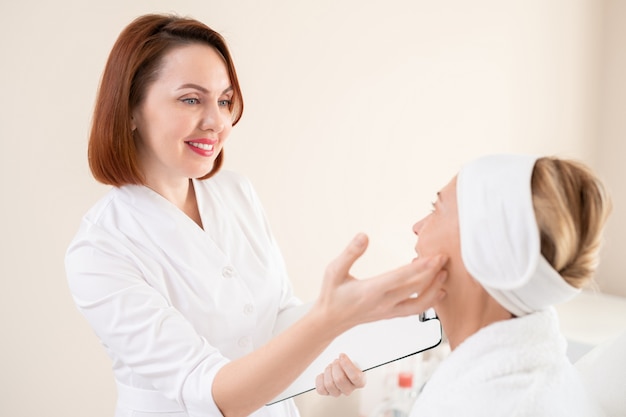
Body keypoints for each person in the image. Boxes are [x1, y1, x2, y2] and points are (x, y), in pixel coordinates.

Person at [65, 13, 448, 417]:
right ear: (130, 110)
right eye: (191, 99)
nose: (217, 122)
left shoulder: (235, 193)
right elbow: (211, 394)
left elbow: (274, 319)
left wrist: (335, 338)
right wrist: (328, 319)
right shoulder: (100, 250)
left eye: (225, 100)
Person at [408, 154, 611, 416]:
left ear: (482, 251)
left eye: (436, 208)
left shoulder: (471, 406)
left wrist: (336, 319)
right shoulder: (545, 382)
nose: (417, 227)